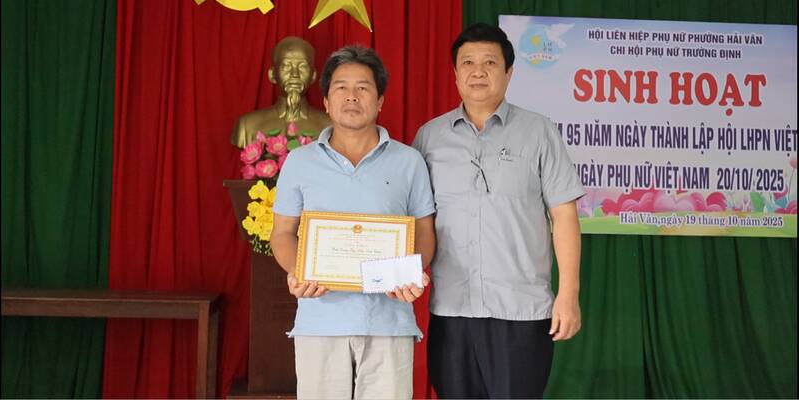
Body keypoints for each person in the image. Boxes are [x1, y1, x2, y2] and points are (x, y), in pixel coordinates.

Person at [412, 22, 586, 399]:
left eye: (490, 62)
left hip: (521, 312)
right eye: (468, 62)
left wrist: (568, 293)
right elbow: (417, 221)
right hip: (452, 311)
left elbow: (564, 215)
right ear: (454, 73)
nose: (478, 71)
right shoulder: (429, 138)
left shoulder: (539, 132)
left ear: (509, 73)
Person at [270, 45, 437, 399]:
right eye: (341, 87)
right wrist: (300, 270)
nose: (352, 96)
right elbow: (283, 233)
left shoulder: (409, 162)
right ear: (327, 102)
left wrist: (410, 273)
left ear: (379, 102)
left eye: (363, 87)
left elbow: (424, 231)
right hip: (320, 319)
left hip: (390, 321)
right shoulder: (299, 162)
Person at [230, 36, 331, 147]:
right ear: (272, 74)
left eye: (302, 66)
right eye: (286, 66)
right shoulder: (247, 126)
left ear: (313, 76)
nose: (294, 74)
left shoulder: (330, 126)